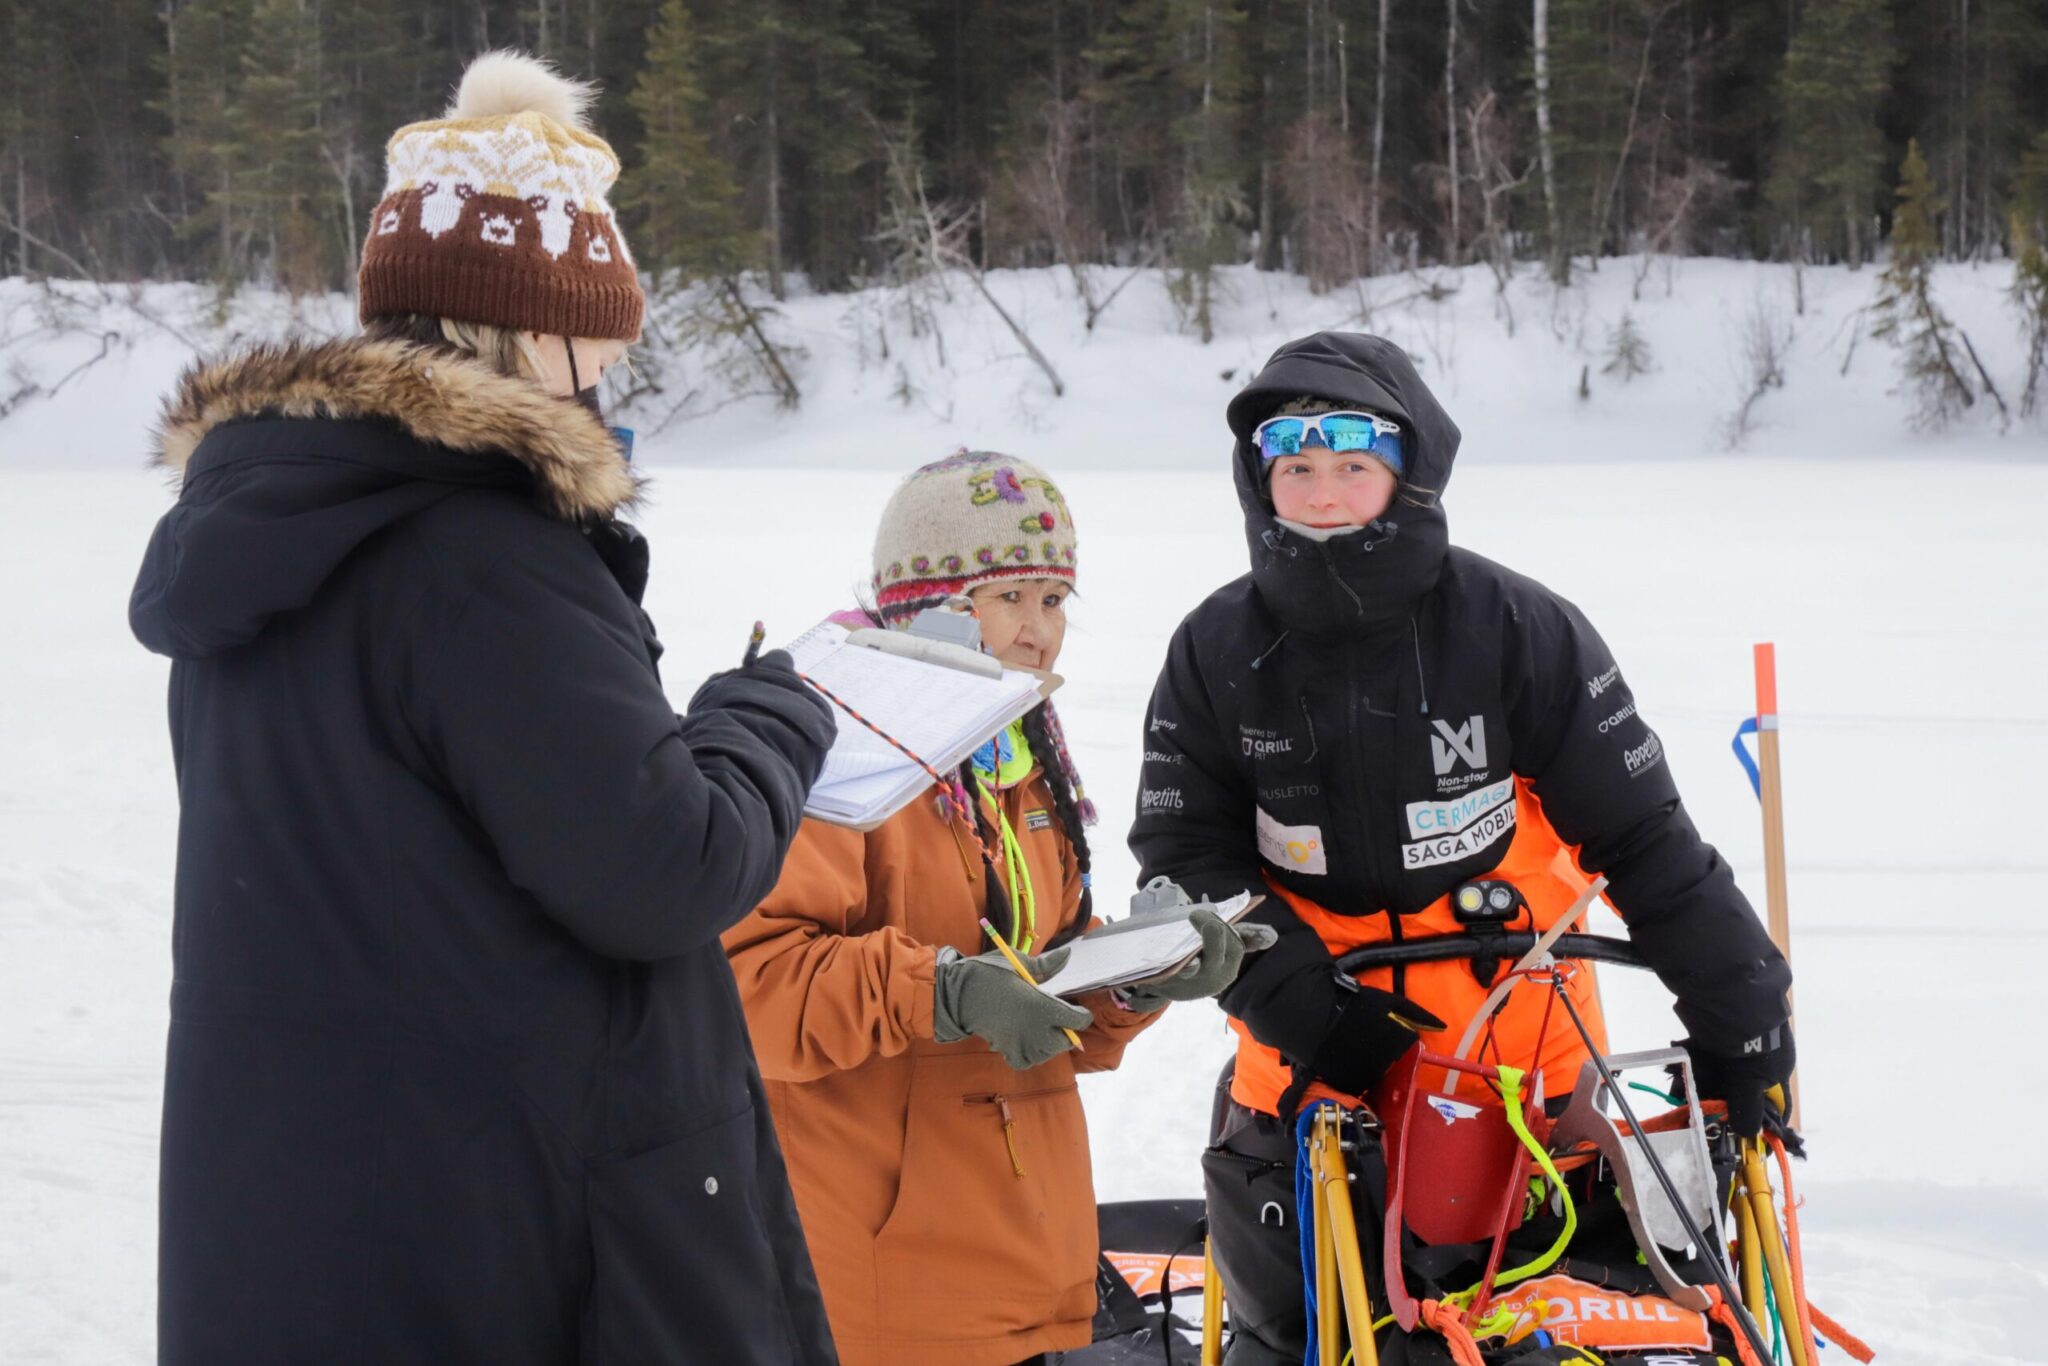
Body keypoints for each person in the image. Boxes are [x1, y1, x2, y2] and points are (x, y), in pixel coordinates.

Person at [129, 51, 839, 1364]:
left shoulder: (276, 531)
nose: (617, 365)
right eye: (604, 329)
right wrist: (768, 716)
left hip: (325, 1208)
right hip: (520, 1223)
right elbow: (661, 871)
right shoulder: (484, 557)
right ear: (522, 327)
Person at [1129, 332, 1795, 1364]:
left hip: (1528, 1101)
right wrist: (1323, 1022)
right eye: (1294, 467)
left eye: (1351, 464)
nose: (1320, 491)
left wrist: (1742, 1017)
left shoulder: (1516, 627)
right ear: (1258, 480)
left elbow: (1643, 838)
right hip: (1308, 1095)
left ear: (1407, 471)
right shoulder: (1214, 648)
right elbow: (1183, 859)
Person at [723, 450, 1255, 1366]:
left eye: (1054, 602)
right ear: (917, 602)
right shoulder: (833, 755)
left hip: (1021, 1244)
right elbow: (748, 984)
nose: (1037, 632)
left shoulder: (1013, 756)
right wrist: (944, 991)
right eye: (1007, 597)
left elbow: (1038, 988)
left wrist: (1134, 978)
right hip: (880, 1272)